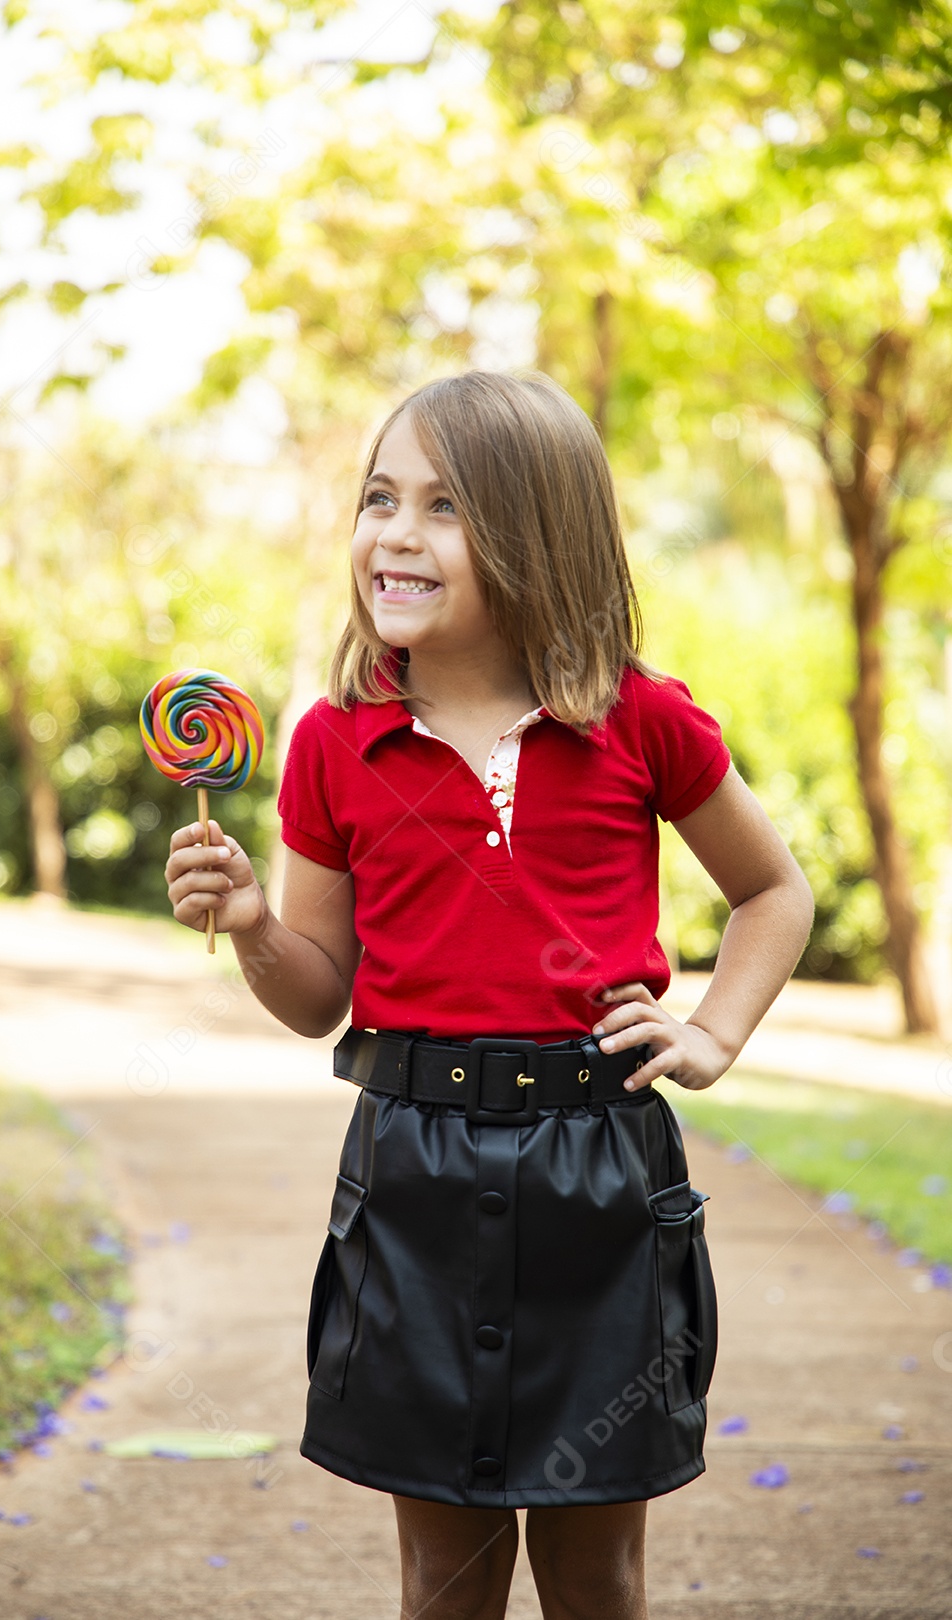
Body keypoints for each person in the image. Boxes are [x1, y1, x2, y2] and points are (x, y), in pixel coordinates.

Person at [163, 369, 815, 1620]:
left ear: (537, 535)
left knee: (595, 1571)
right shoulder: (333, 742)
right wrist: (250, 923)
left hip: (603, 1177)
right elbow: (318, 997)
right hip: (411, 1178)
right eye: (378, 498)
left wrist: (715, 1031)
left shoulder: (640, 718)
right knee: (444, 1578)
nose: (395, 533)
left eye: (444, 507)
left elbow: (772, 890)